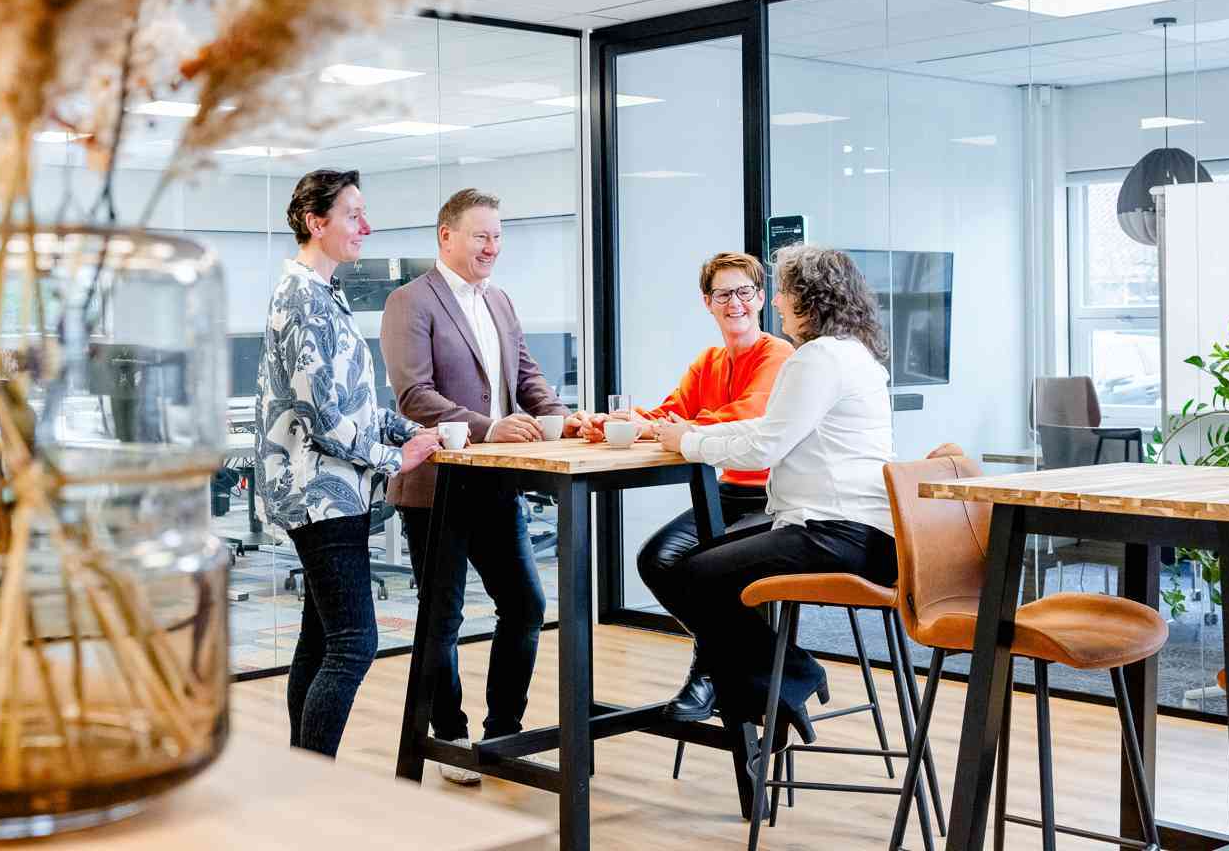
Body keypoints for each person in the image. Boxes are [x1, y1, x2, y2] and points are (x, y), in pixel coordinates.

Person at [381, 187, 595, 784]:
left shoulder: (499, 300)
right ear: (446, 237)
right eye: (481, 235)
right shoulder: (410, 302)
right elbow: (413, 394)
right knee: (442, 615)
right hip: (439, 485)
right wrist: (489, 426)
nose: (492, 246)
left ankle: (504, 732)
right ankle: (447, 735)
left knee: (525, 603)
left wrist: (564, 414)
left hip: (498, 483)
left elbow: (527, 377)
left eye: (498, 236)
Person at [652, 244, 897, 748]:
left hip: (836, 532)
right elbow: (771, 429)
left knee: (697, 573)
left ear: (809, 298)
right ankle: (778, 683)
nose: (777, 303)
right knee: (693, 563)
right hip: (854, 529)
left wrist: (690, 442)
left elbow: (766, 442)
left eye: (782, 292)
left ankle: (784, 681)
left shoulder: (819, 357)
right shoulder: (849, 353)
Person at [255, 168, 441, 757]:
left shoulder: (322, 293)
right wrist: (397, 457)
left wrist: (418, 431)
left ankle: (302, 777)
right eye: (353, 215)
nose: (368, 225)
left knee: (321, 638)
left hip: (335, 490)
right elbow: (324, 417)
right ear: (317, 223)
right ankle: (316, 785)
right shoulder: (302, 298)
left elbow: (357, 404)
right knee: (355, 644)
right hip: (321, 493)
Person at [578, 252, 792, 722]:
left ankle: (710, 672)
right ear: (707, 303)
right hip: (725, 495)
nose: (734, 302)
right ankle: (780, 663)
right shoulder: (708, 362)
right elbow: (666, 414)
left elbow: (746, 416)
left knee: (705, 571)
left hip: (775, 501)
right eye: (723, 294)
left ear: (760, 299)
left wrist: (676, 428)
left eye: (743, 292)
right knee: (656, 559)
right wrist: (614, 421)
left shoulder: (778, 355)